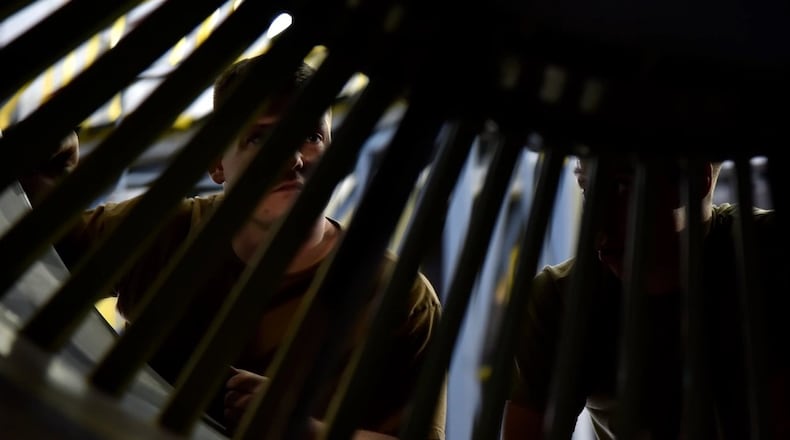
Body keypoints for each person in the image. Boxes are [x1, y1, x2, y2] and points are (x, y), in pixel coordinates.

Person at [20, 57, 446, 439]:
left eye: (311, 136)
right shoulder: (162, 231)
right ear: (217, 163)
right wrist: (49, 173)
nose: (293, 158)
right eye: (262, 139)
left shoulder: (398, 296)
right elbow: (31, 259)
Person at [502, 156, 789, 439]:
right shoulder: (562, 301)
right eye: (588, 189)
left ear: (695, 181)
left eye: (621, 188)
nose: (598, 224)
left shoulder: (769, 259)